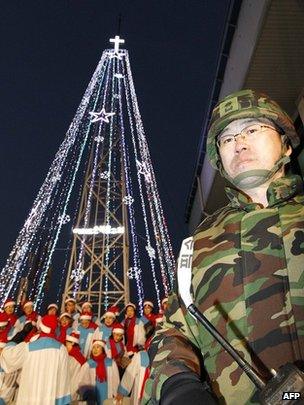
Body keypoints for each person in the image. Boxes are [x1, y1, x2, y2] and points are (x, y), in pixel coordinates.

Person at [143, 89, 304, 405]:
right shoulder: (199, 242)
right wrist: (179, 387)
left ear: (286, 144)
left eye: (252, 129)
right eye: (227, 139)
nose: (239, 143)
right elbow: (174, 331)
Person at [0, 314, 71, 405]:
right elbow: (63, 378)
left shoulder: (29, 347)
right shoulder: (61, 349)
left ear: (41, 327)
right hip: (49, 397)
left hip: (29, 396)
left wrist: (13, 341)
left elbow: (9, 357)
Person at [78, 339, 120, 404]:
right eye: (93, 347)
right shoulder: (88, 364)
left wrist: (116, 394)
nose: (95, 350)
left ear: (102, 349)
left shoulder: (111, 363)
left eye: (98, 347)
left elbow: (116, 380)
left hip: (108, 393)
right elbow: (82, 380)